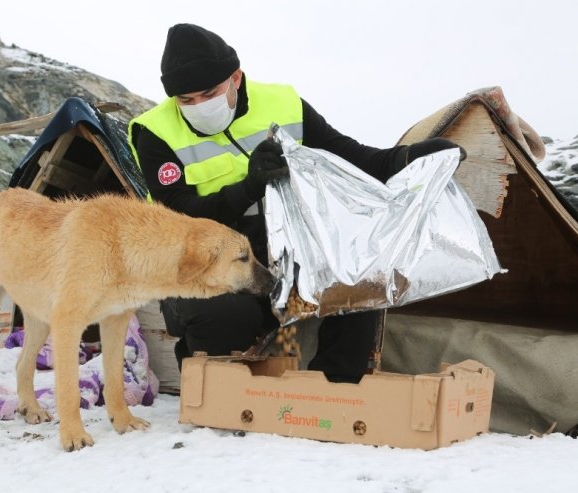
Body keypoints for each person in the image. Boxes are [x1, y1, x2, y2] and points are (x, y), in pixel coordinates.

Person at [127, 23, 465, 383]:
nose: (198, 106)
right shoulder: (154, 131)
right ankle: (212, 387)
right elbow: (178, 215)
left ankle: (333, 389)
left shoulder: (283, 104)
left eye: (208, 93)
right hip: (201, 266)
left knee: (361, 281)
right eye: (186, 100)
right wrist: (248, 188)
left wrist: (410, 157)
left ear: (236, 78)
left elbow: (349, 155)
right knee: (225, 315)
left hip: (285, 252)